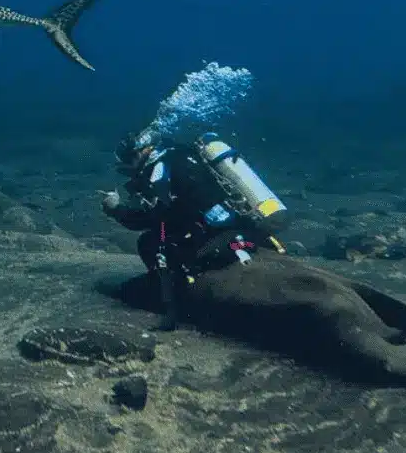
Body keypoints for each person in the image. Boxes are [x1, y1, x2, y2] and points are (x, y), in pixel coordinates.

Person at [102, 132, 286, 330]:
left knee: (149, 242)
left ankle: (177, 303)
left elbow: (153, 216)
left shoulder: (159, 170)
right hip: (244, 230)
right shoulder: (186, 154)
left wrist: (116, 210)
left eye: (127, 164)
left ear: (139, 154)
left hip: (213, 241)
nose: (128, 171)